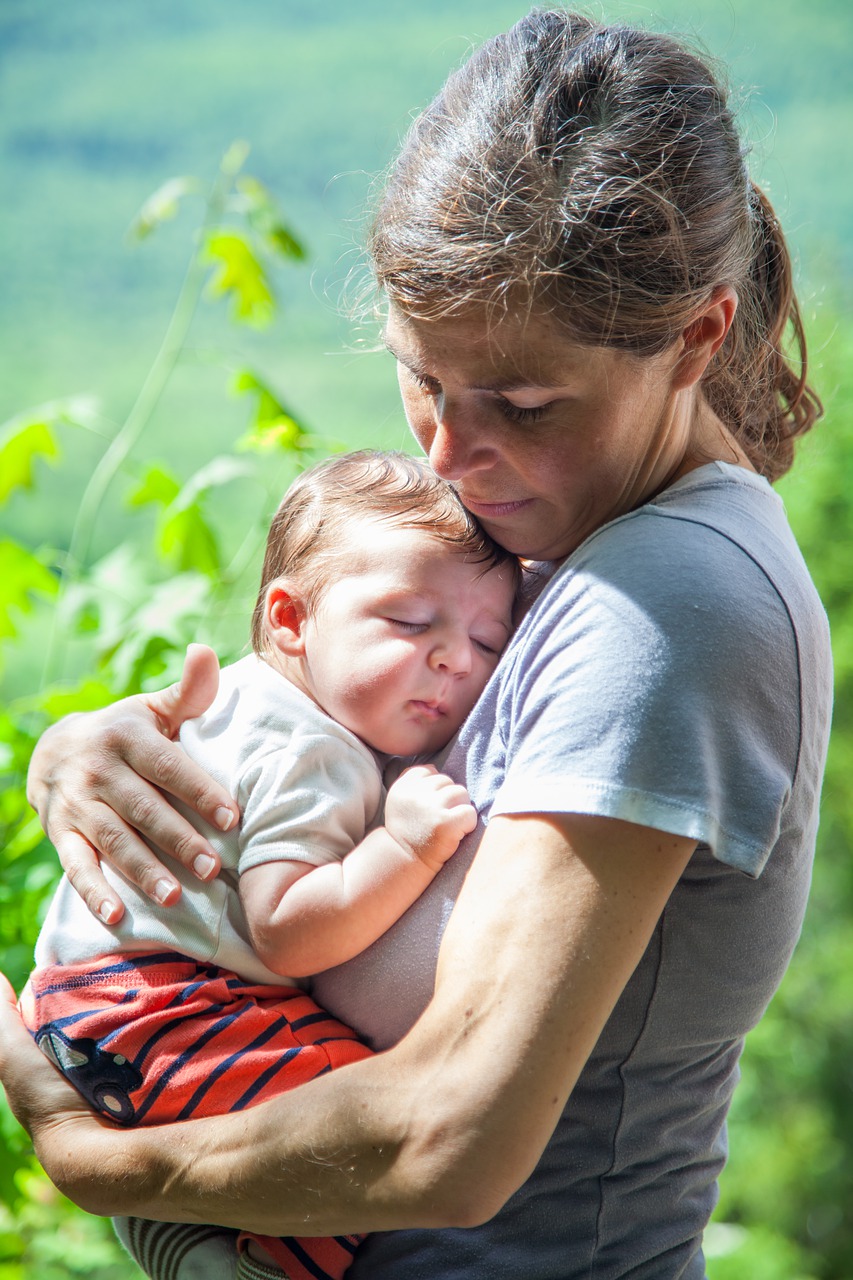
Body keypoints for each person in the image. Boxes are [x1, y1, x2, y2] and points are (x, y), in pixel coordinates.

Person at [0, 10, 833, 1279]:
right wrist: (89, 750)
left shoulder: (672, 600)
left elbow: (455, 1131)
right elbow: (318, 710)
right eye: (422, 378)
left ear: (696, 338)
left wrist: (95, 1158)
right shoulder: (555, 520)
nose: (446, 453)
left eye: (522, 401)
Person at [19, 449, 519, 1280]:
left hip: (104, 1005)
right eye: (407, 621)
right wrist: (404, 844)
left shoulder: (252, 702)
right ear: (290, 620)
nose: (453, 659)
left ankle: (183, 1239)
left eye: (485, 640)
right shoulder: (311, 751)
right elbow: (288, 932)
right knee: (369, 1120)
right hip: (167, 1007)